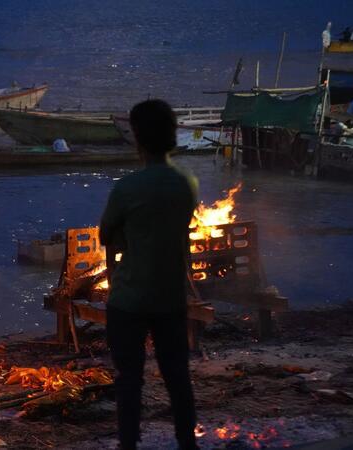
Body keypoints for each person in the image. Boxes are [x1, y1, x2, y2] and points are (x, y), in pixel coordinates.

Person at [100, 99, 199, 450]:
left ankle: (129, 445)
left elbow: (106, 235)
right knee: (177, 377)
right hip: (171, 297)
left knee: (129, 381)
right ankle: (187, 443)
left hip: (129, 299)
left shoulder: (127, 188)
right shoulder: (186, 184)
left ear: (137, 138)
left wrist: (130, 235)